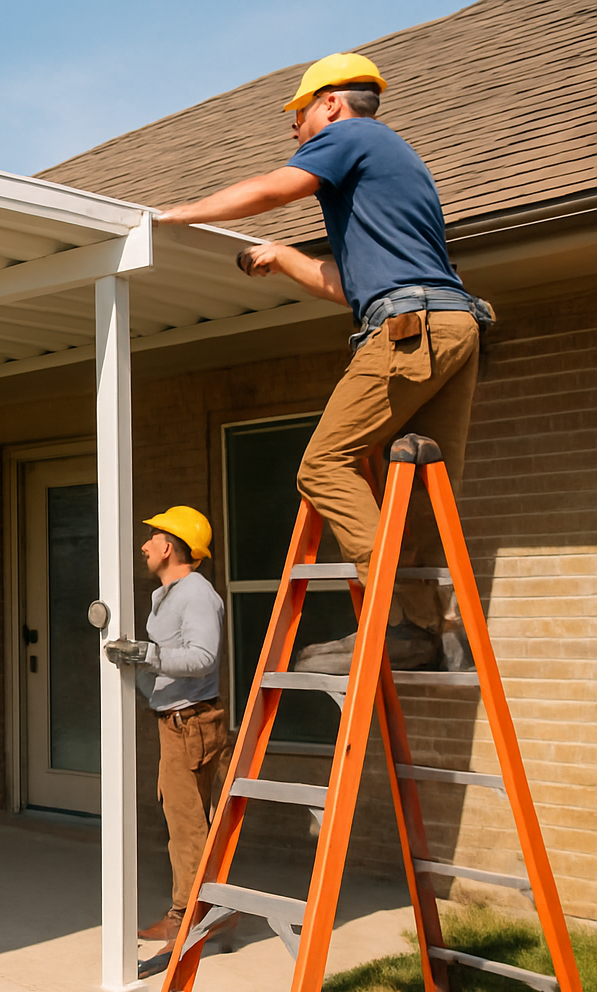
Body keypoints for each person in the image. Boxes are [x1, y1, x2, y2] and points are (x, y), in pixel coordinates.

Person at [156, 53, 494, 670]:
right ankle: (436, 631)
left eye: (299, 113)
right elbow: (353, 287)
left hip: (408, 327)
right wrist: (284, 257)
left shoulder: (351, 136)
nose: (294, 129)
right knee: (413, 487)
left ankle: (392, 618)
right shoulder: (397, 164)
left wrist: (177, 213)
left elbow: (271, 188)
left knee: (323, 464)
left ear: (332, 104)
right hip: (452, 325)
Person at [104, 506, 231, 976]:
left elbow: (201, 656)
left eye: (152, 538)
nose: (144, 545)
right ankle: (202, 912)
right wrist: (138, 666)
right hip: (179, 722)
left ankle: (195, 918)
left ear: (171, 546)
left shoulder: (195, 593)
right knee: (185, 821)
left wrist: (148, 655)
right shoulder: (171, 594)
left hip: (191, 724)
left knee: (187, 826)